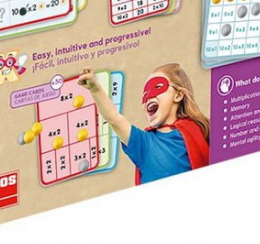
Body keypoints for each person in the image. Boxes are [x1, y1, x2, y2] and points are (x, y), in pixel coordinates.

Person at [78, 63, 210, 184]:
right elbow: (114, 118)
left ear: (178, 95)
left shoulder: (200, 130)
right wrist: (95, 88)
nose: (149, 96)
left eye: (158, 87)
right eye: (145, 94)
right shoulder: (142, 143)